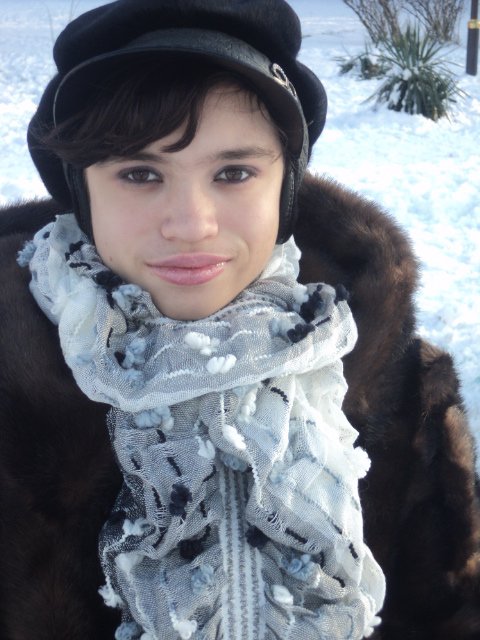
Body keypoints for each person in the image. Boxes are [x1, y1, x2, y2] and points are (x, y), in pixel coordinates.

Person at [0, 0, 479, 638]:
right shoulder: (12, 391)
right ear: (82, 194)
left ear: (285, 187)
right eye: (140, 173)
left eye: (233, 172)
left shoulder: (399, 384)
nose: (191, 224)